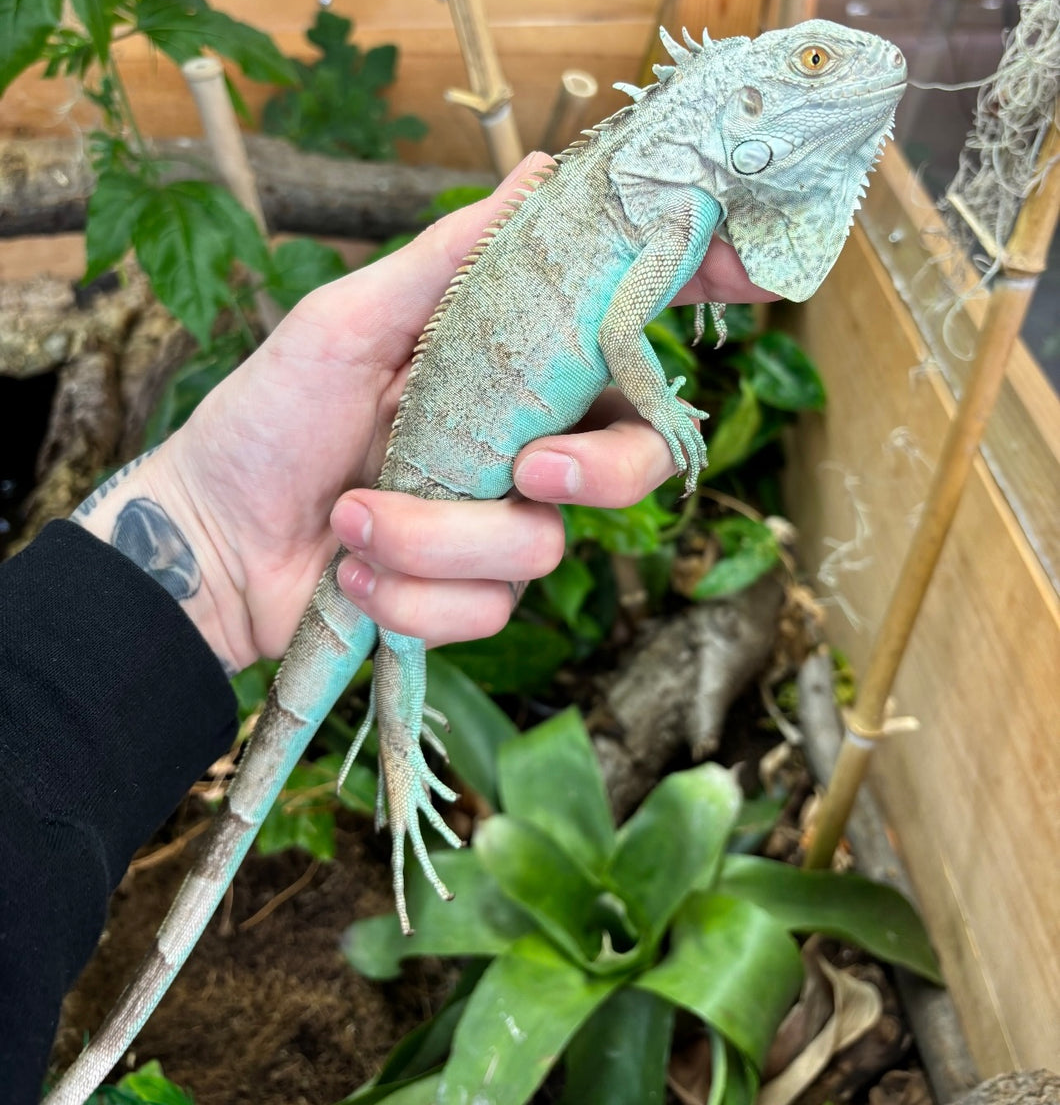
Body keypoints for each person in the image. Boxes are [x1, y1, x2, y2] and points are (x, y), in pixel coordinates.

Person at [0, 153, 776, 1100]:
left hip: (344, 526)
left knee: (395, 578)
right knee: (393, 585)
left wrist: (204, 525)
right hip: (388, 502)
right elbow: (618, 325)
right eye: (807, 67)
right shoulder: (654, 188)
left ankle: (397, 747)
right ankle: (399, 751)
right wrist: (663, 407)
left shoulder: (672, 203)